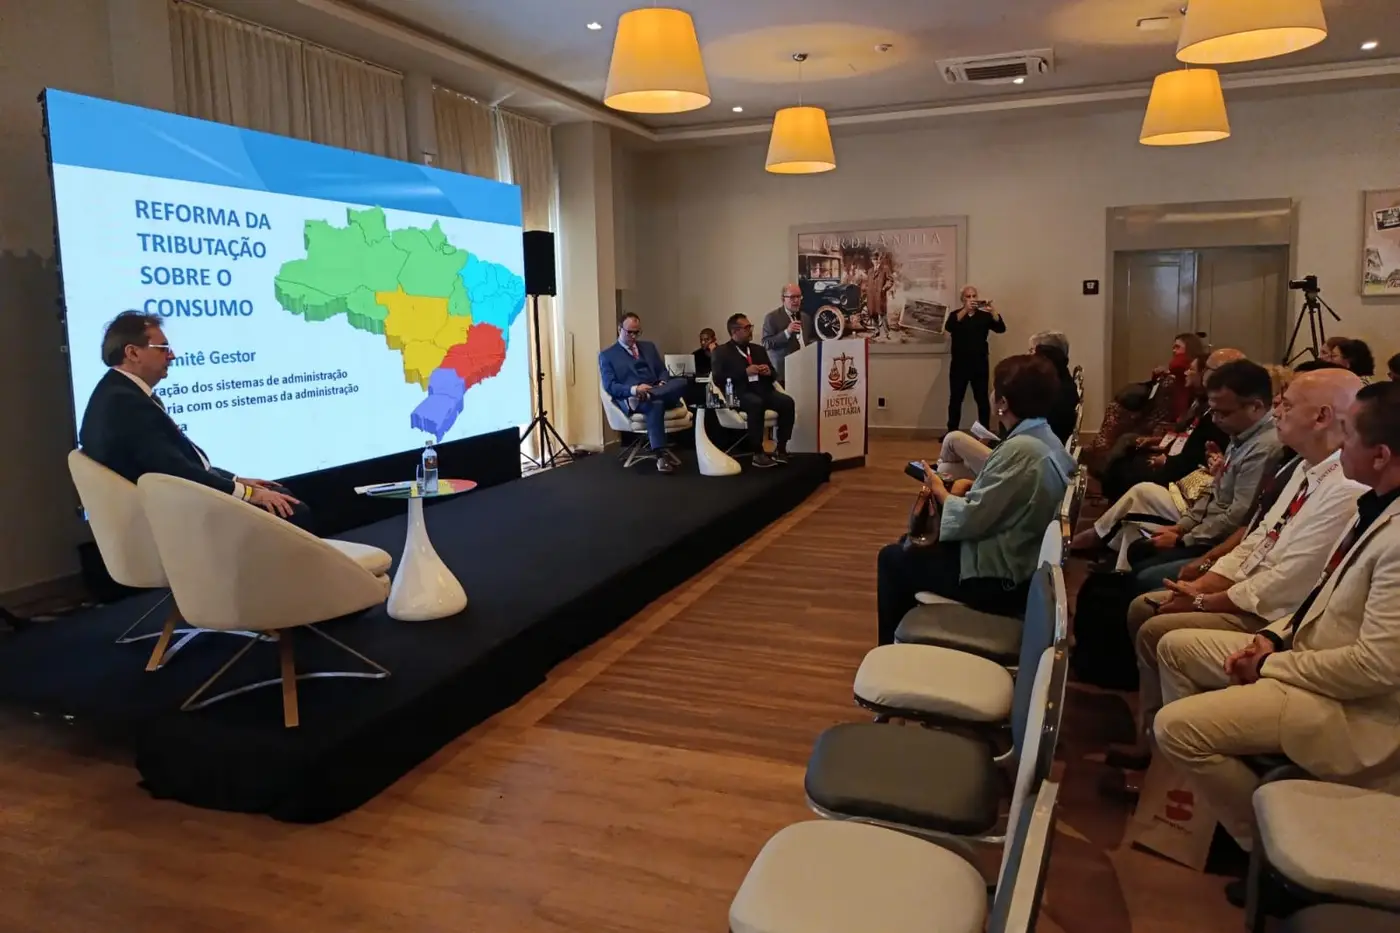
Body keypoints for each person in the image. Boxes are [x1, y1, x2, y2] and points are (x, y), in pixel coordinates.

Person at [1153, 380, 1400, 873]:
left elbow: (1376, 667)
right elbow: (1319, 597)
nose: (1341, 445)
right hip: (1302, 653)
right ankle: (1208, 803)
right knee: (1175, 646)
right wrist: (1270, 638)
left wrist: (1272, 665)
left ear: (1381, 456)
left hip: (1350, 707)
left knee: (1176, 729)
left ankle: (1263, 851)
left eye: (1350, 434)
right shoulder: (1376, 503)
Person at [1103, 368, 1366, 782]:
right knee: (1145, 606)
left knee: (1157, 626)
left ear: (1322, 417)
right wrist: (1202, 584)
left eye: (1287, 404)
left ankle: (1170, 766)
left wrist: (1204, 600)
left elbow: (1288, 581)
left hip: (1276, 618)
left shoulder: (1345, 487)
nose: (1276, 411)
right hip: (1257, 594)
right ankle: (1155, 742)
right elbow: (1258, 539)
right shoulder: (1306, 467)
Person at [877, 354, 1073, 644]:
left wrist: (940, 490)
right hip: (1021, 561)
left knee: (892, 558)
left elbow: (970, 520)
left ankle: (889, 650)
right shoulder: (1047, 438)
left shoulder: (1021, 450)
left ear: (1003, 402)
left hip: (1001, 578)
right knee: (908, 547)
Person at [79, 311, 307, 525]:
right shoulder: (125, 403)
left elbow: (181, 462)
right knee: (294, 511)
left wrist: (236, 480)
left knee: (280, 495)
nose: (172, 355)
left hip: (177, 500)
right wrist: (247, 493)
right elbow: (178, 472)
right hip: (181, 514)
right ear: (133, 353)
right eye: (163, 348)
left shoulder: (116, 391)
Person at [1071, 359, 1280, 573]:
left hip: (1214, 542)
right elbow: (1213, 493)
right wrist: (1181, 528)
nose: (1216, 419)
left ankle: (1119, 571)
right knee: (1135, 530)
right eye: (1213, 411)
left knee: (1140, 556)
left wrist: (1185, 538)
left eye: (1223, 413)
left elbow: (1236, 518)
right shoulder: (1241, 434)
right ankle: (1117, 570)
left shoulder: (1263, 447)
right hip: (1204, 525)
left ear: (1255, 407)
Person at [1099, 350, 1239, 502]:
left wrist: (1167, 460)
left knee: (1124, 470)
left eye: (1192, 369)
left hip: (1184, 477)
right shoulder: (1200, 403)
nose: (1186, 372)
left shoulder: (1216, 414)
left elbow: (1194, 457)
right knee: (1124, 459)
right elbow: (1184, 436)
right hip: (1177, 460)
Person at [1086, 333, 1209, 471]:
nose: (1173, 350)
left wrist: (1168, 370)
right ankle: (1102, 456)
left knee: (1125, 433)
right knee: (1118, 412)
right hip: (1159, 417)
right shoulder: (1180, 373)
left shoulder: (1187, 366)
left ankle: (1105, 467)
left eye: (1177, 347)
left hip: (1166, 424)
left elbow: (1177, 365)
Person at [599, 313, 688, 474]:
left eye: (637, 332)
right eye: (630, 332)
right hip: (634, 397)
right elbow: (610, 386)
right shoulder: (607, 355)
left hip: (654, 391)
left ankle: (653, 394)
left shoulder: (649, 347)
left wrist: (662, 383)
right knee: (656, 404)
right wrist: (635, 390)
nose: (634, 336)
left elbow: (662, 371)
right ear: (619, 329)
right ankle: (660, 456)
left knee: (682, 381)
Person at [711, 313, 796, 469]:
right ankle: (757, 452)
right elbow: (718, 378)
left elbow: (774, 374)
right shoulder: (721, 352)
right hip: (739, 394)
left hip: (763, 390)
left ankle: (781, 447)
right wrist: (744, 372)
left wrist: (768, 372)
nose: (751, 330)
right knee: (756, 403)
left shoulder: (758, 350)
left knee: (787, 402)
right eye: (747, 327)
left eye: (750, 326)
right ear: (735, 331)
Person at [943, 285, 1006, 433]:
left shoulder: (984, 316)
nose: (972, 299)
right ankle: (951, 431)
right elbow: (949, 327)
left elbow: (1001, 328)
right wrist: (965, 310)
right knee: (956, 398)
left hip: (979, 363)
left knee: (982, 398)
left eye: (974, 296)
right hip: (959, 364)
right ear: (962, 299)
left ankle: (984, 432)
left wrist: (993, 311)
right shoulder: (956, 315)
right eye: (968, 296)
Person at [760, 284, 814, 383]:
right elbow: (766, 343)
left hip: (804, 370)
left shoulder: (805, 318)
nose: (796, 300)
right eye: (792, 297)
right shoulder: (772, 317)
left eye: (799, 296)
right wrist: (787, 333)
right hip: (783, 372)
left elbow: (807, 341)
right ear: (783, 299)